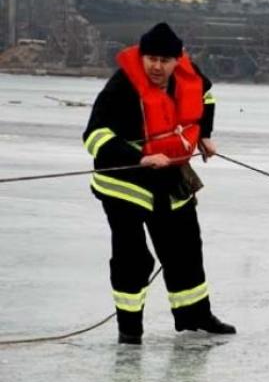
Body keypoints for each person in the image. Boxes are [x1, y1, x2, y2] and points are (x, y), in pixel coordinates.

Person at [83, 22, 235, 344]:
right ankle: (130, 330)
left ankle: (196, 316)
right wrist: (138, 158)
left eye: (164, 60)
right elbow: (94, 136)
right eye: (150, 58)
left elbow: (205, 95)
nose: (156, 66)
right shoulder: (122, 86)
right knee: (132, 257)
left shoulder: (188, 76)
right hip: (124, 181)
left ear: (176, 60)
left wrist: (205, 134)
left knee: (185, 248)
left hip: (169, 174)